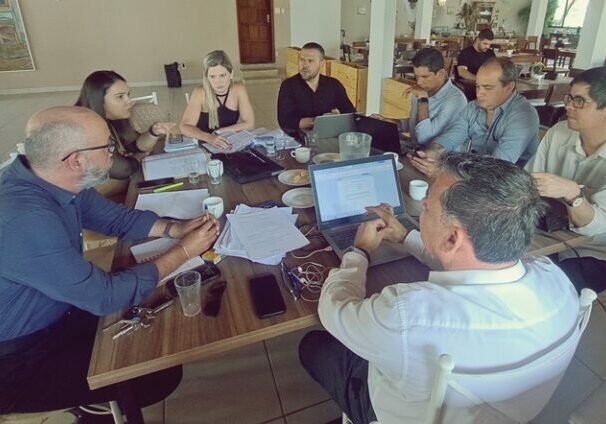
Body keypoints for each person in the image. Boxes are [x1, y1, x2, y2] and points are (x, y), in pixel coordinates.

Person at [299, 153, 578, 424]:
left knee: (314, 346)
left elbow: (334, 309)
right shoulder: (557, 280)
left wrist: (359, 251)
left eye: (427, 206)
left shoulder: (406, 315)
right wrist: (407, 236)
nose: (422, 205)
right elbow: (469, 260)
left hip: (396, 412)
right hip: (504, 412)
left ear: (452, 238)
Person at [0, 106, 220, 416]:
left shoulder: (53, 176)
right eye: (107, 146)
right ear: (76, 160)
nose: (113, 154)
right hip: (21, 358)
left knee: (159, 335)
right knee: (155, 372)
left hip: (62, 312)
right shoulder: (25, 219)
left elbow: (113, 217)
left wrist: (173, 229)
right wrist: (183, 252)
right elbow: (103, 297)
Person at [525, 66, 606, 294]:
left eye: (579, 101)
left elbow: (599, 227)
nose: (568, 106)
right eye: (569, 98)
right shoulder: (559, 132)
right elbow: (528, 182)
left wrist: (573, 194)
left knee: (544, 292)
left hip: (595, 253)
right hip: (546, 238)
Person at [409, 57, 539, 177]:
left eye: (487, 88)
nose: (479, 94)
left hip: (509, 185)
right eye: (477, 86)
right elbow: (452, 136)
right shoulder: (473, 107)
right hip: (474, 178)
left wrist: (445, 171)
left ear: (509, 87)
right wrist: (432, 152)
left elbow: (497, 168)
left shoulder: (523, 117)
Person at [75, 70, 175, 187]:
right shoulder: (87, 128)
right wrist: (137, 157)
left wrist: (153, 132)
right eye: (120, 97)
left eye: (128, 95)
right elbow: (123, 169)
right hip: (91, 193)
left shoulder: (112, 118)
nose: (129, 102)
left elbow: (133, 146)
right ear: (98, 100)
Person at [372, 47, 467, 147]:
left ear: (441, 73)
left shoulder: (455, 100)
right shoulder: (423, 90)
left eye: (425, 77)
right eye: (416, 76)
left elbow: (424, 138)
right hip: (417, 150)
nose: (419, 82)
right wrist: (389, 123)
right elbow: (415, 125)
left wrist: (423, 99)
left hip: (442, 155)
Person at [180, 50, 255, 151]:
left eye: (222, 75)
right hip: (204, 145)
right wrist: (209, 138)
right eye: (212, 76)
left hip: (228, 144)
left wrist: (219, 132)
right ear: (206, 77)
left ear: (231, 74)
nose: (218, 82)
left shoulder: (239, 90)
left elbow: (250, 124)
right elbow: (184, 127)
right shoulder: (200, 93)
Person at [277, 42, 355, 138]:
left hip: (329, 137)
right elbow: (285, 121)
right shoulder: (288, 86)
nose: (304, 65)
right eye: (302, 60)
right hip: (297, 140)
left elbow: (350, 113)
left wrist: (337, 118)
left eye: (310, 61)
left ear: (321, 63)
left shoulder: (334, 85)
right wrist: (318, 121)